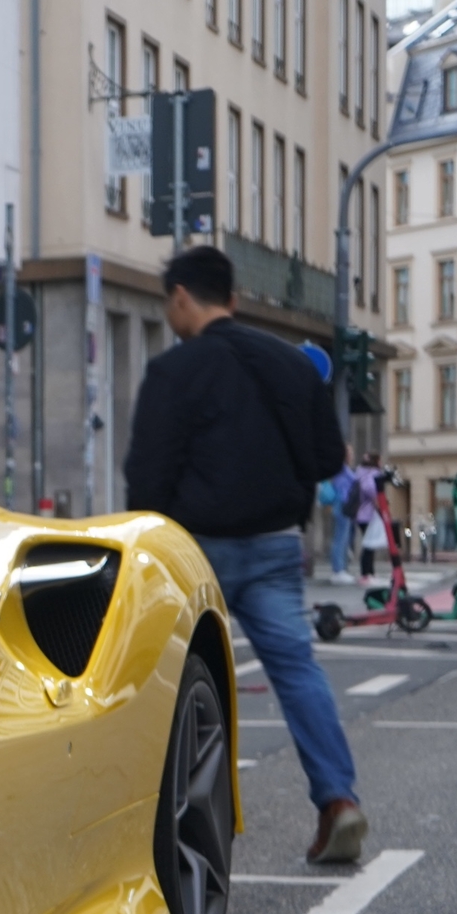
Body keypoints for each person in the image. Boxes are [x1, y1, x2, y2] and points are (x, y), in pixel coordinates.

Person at [126, 246, 366, 864]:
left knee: (173, 681)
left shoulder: (173, 373)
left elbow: (147, 478)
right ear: (232, 296)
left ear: (181, 297)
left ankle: (166, 829)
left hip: (195, 552)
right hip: (276, 547)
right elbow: (324, 460)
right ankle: (339, 801)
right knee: (296, 670)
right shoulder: (292, 367)